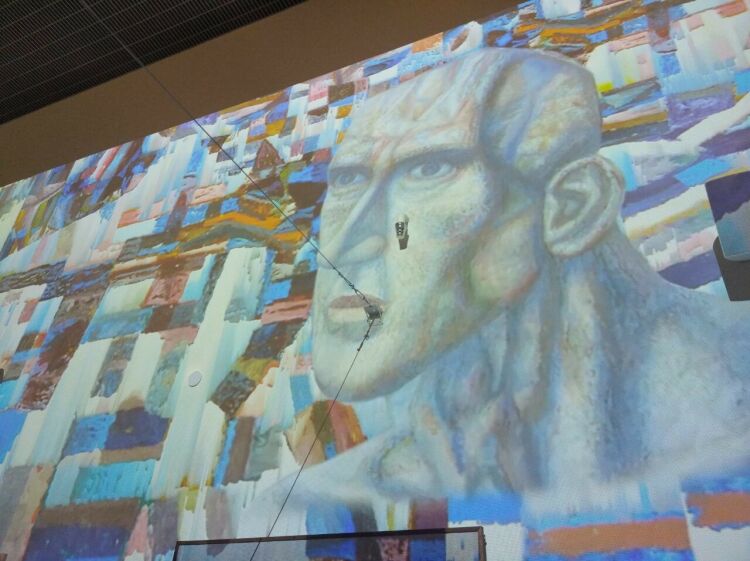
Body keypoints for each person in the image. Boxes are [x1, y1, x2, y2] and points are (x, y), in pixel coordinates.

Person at [255, 48, 750, 524]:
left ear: (574, 207)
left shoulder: (729, 404)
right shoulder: (326, 500)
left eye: (429, 168)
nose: (348, 242)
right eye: (348, 180)